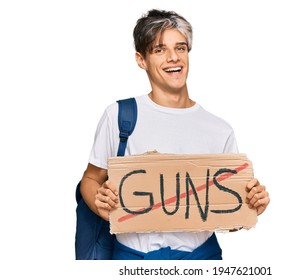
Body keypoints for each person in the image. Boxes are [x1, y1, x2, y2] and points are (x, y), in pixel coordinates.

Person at [80, 9, 270, 260]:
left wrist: (251, 204)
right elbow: (90, 179)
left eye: (180, 48)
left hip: (200, 259)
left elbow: (227, 217)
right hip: (133, 259)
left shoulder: (219, 129)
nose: (173, 58)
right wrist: (100, 203)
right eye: (159, 50)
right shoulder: (119, 115)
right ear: (141, 59)